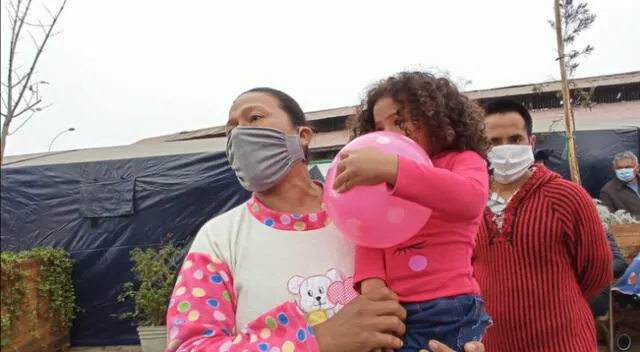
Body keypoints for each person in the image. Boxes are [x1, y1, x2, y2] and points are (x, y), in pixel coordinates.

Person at [165, 87, 486, 352]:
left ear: (302, 135)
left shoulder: (386, 212)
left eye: (255, 118)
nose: (239, 134)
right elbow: (189, 346)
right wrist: (316, 341)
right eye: (231, 128)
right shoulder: (220, 238)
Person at [335, 71, 492, 351]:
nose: (388, 135)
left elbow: (469, 199)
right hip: (397, 311)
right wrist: (371, 286)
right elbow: (367, 232)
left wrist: (393, 167)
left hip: (449, 307)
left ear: (438, 117)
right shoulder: (379, 181)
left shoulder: (463, 160)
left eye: (399, 121)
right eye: (379, 127)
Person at [475, 98, 613, 352]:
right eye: (494, 142)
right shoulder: (471, 201)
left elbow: (596, 271)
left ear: (531, 142)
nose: (505, 148)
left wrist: (554, 304)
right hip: (494, 342)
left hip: (564, 342)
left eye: (515, 139)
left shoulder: (567, 197)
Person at [599, 150, 640, 218]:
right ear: (614, 169)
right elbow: (609, 219)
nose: (624, 170)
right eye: (620, 168)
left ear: (637, 167)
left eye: (628, 167)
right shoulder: (607, 191)